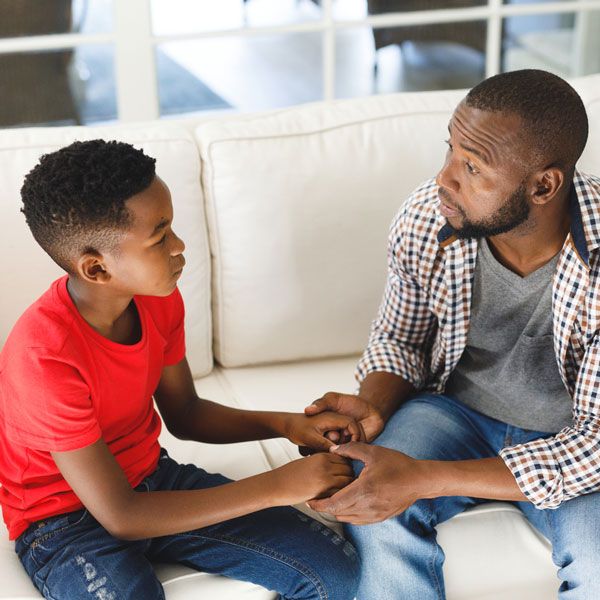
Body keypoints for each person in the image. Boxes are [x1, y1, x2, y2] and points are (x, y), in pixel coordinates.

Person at [0, 139, 361, 600]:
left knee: (336, 571)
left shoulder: (159, 299)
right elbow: (122, 516)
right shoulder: (43, 358)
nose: (179, 245)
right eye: (159, 235)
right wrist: (276, 486)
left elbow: (186, 413)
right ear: (96, 268)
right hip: (63, 524)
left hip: (153, 481)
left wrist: (290, 425)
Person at [305, 69, 600, 598]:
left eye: (472, 166)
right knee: (371, 505)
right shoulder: (429, 216)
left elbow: (595, 443)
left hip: (572, 435)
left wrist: (425, 478)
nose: (444, 177)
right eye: (450, 150)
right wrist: (373, 404)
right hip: (453, 412)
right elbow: (401, 339)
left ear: (543, 185)